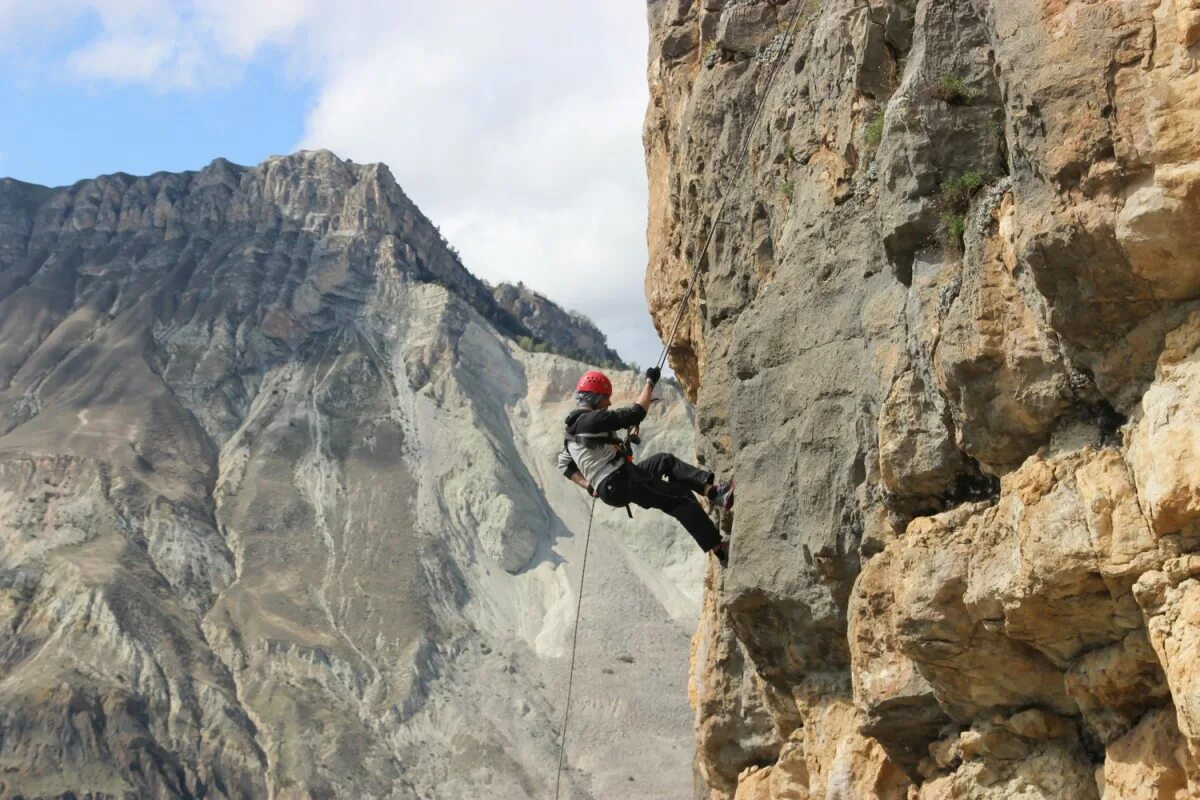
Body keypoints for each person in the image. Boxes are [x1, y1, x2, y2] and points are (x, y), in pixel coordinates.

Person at [556, 367, 734, 565]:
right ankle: (719, 549)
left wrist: (588, 484)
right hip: (622, 480)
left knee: (664, 461)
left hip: (617, 482)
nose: (609, 403)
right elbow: (636, 413)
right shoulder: (593, 419)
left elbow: (564, 464)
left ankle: (712, 492)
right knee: (680, 498)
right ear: (595, 397)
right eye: (606, 398)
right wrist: (650, 382)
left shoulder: (571, 433)